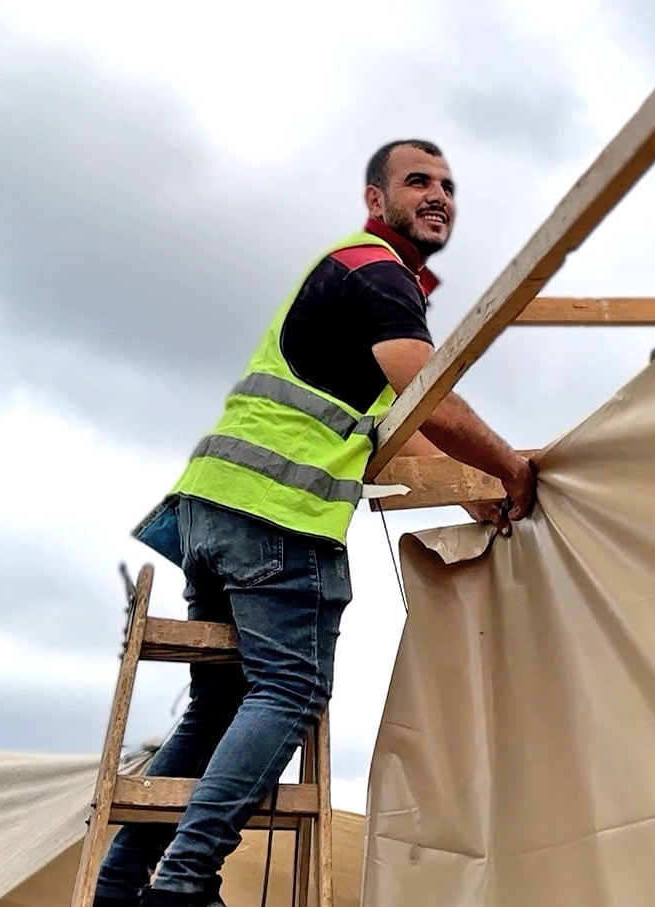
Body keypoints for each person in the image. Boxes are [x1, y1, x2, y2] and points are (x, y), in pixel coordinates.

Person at [94, 139, 537, 907]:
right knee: (290, 689)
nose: (438, 195)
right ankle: (186, 881)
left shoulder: (352, 278)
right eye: (417, 182)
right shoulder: (375, 271)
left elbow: (388, 428)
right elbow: (429, 398)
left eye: (447, 186)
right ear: (377, 200)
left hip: (213, 509)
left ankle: (122, 882)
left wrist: (464, 484)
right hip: (276, 516)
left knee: (220, 705)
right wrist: (510, 469)